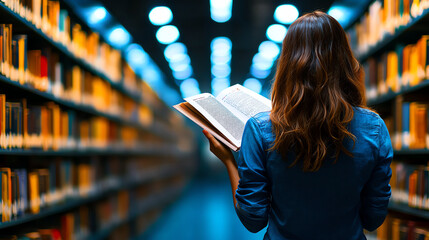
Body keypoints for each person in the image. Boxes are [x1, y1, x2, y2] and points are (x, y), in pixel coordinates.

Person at [203, 11, 393, 240]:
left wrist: (228, 160)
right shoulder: (374, 128)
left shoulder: (260, 129)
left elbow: (253, 219)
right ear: (345, 60)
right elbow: (374, 218)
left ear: (288, 64)